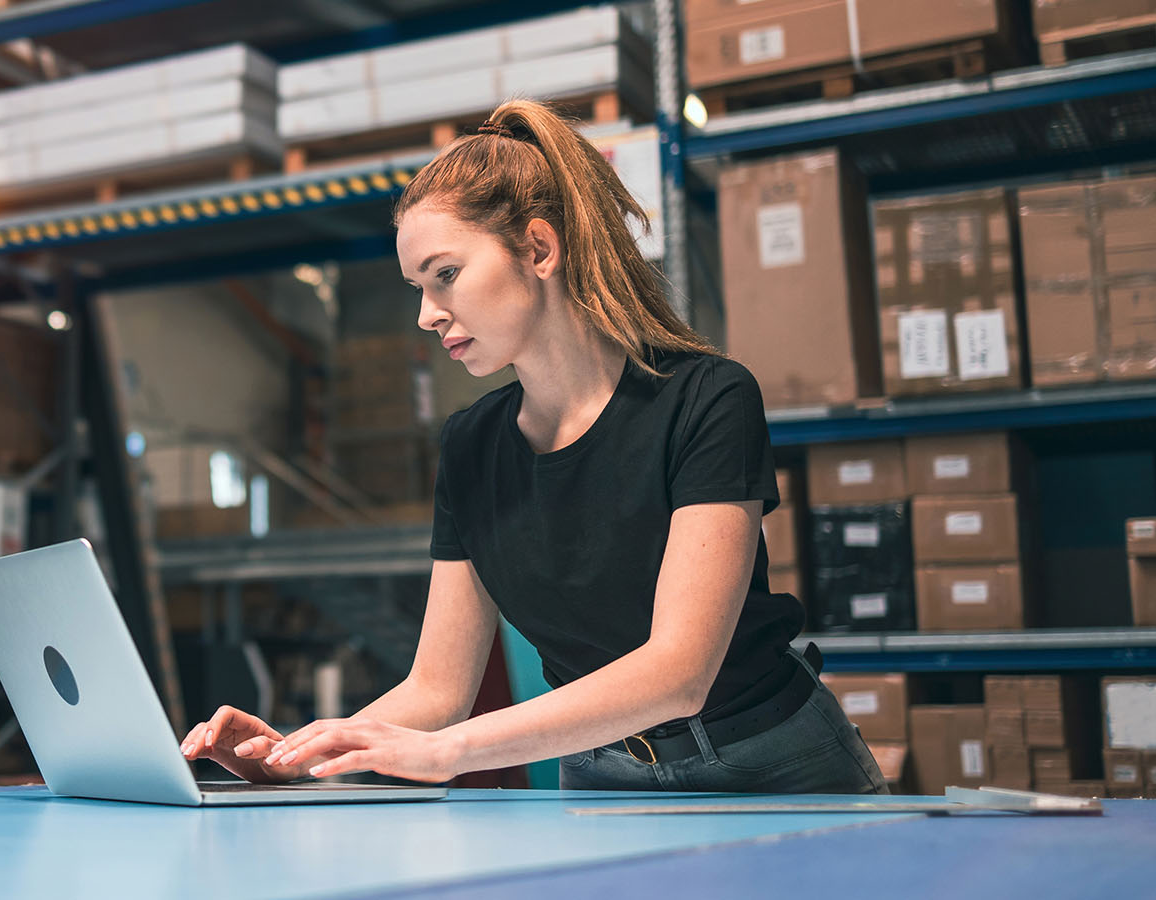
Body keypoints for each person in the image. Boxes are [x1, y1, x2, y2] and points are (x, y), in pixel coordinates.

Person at [180, 100, 886, 794]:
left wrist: (450, 751)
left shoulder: (707, 399)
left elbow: (680, 672)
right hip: (602, 773)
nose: (428, 315)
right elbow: (435, 688)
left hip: (772, 764)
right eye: (417, 288)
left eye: (445, 275)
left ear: (539, 249)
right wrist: (302, 755)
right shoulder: (469, 446)